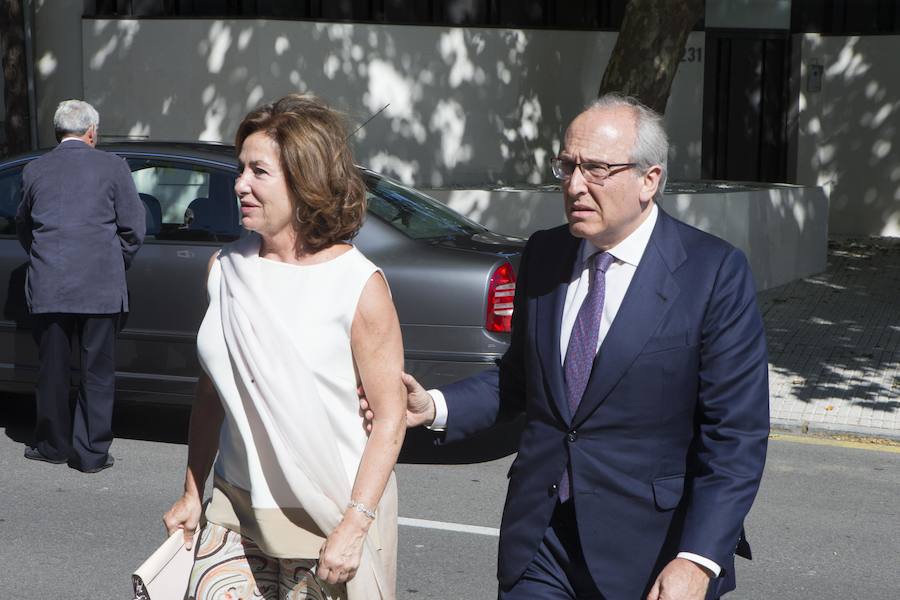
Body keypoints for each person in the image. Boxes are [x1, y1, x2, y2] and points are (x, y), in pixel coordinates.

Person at [362, 94, 769, 600]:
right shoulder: (545, 253)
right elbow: (518, 381)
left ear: (650, 179)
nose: (575, 185)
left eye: (596, 169)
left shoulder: (712, 273)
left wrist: (698, 559)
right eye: (567, 166)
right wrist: (437, 405)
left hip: (652, 556)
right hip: (541, 543)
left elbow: (736, 436)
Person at [163, 94, 406, 600]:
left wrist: (355, 526)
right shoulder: (224, 271)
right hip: (234, 507)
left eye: (259, 171)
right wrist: (192, 490)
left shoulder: (358, 283)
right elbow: (211, 394)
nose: (239, 184)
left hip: (326, 513)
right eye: (240, 168)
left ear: (305, 180)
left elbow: (389, 415)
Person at [16, 99, 145, 473]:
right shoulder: (113, 167)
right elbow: (134, 229)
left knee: (52, 371)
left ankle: (52, 445)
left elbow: (25, 227)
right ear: (92, 132)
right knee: (97, 372)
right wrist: (111, 261)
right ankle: (90, 454)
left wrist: (47, 258)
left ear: (58, 132)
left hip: (49, 285)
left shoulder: (34, 169)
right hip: (100, 288)